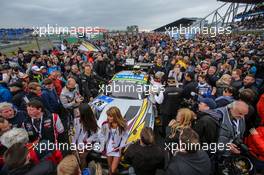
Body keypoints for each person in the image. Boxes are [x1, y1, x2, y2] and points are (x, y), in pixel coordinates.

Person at [100, 106, 128, 175]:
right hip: (109, 148)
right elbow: (101, 135)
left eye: (110, 116)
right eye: (108, 116)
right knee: (110, 167)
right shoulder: (105, 124)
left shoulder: (122, 125)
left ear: (116, 116)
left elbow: (125, 136)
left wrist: (121, 146)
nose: (108, 118)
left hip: (117, 149)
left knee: (113, 169)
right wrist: (103, 144)